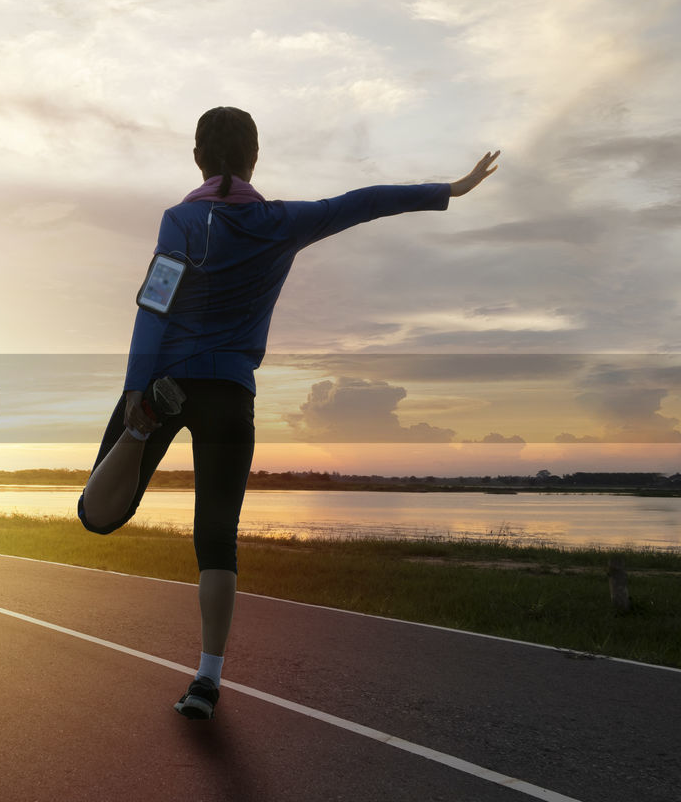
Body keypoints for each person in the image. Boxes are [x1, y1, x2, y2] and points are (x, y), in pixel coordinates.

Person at [76, 106, 499, 720]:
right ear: (254, 159)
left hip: (164, 381)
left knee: (97, 515)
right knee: (216, 540)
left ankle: (141, 430)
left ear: (198, 156)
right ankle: (206, 680)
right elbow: (364, 201)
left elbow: (154, 306)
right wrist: (447, 191)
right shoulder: (283, 222)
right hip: (230, 393)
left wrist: (136, 390)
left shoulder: (180, 222)